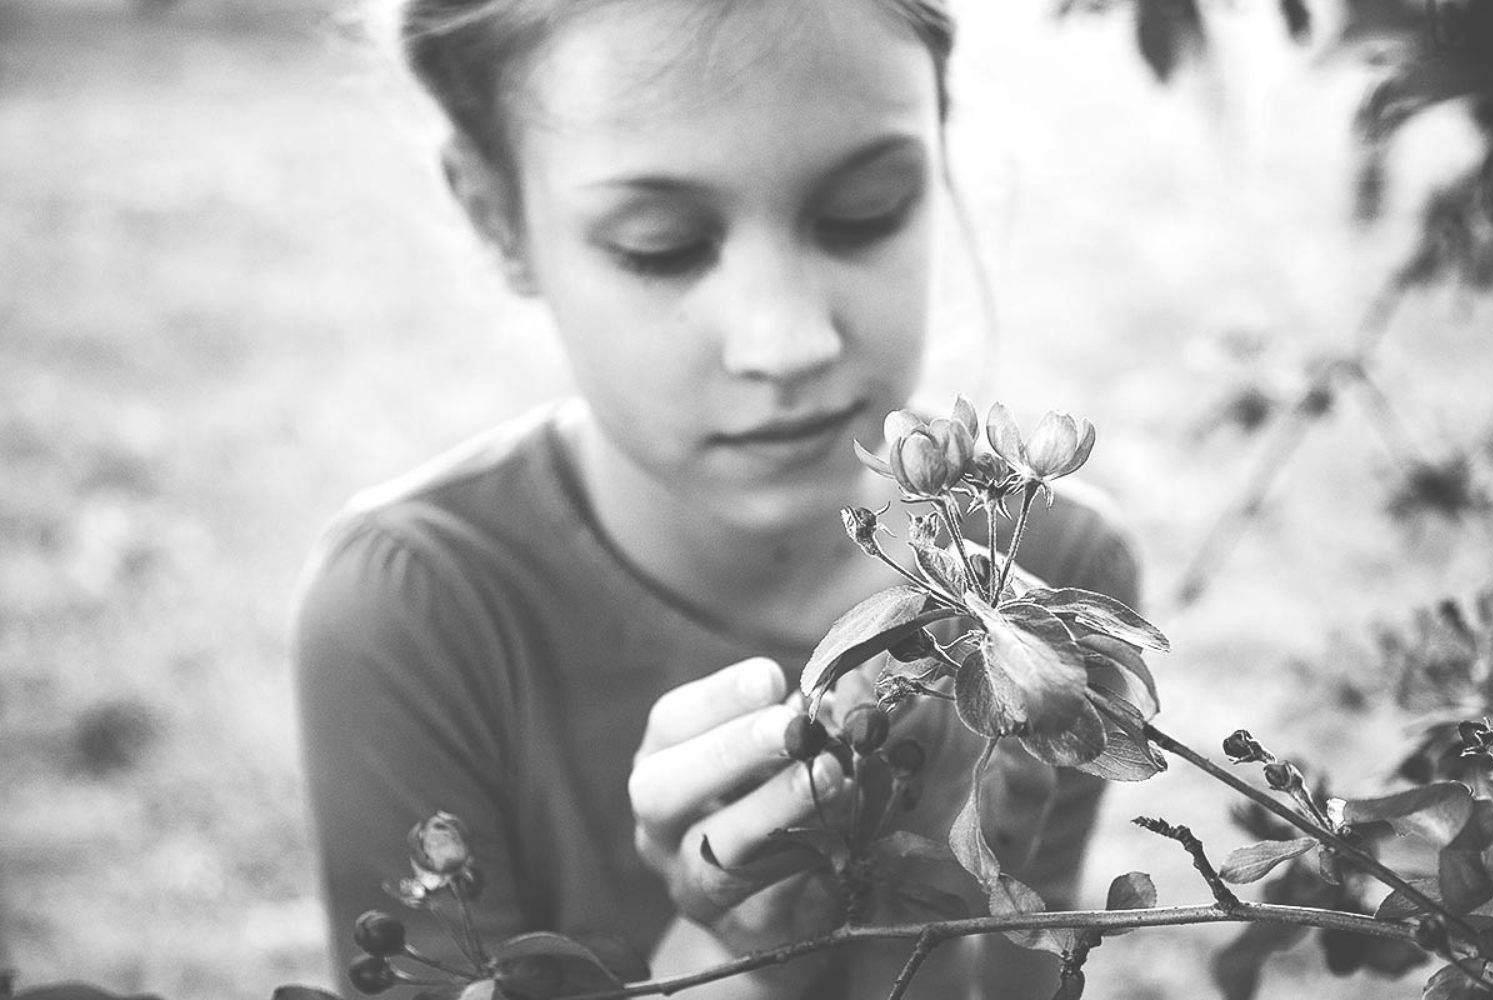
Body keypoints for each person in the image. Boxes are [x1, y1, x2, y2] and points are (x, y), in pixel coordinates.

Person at [292, 0, 1141, 996]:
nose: (788, 343)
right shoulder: (415, 614)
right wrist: (755, 961)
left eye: (865, 210)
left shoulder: (1048, 593)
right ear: (496, 216)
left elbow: (1025, 976)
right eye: (661, 245)